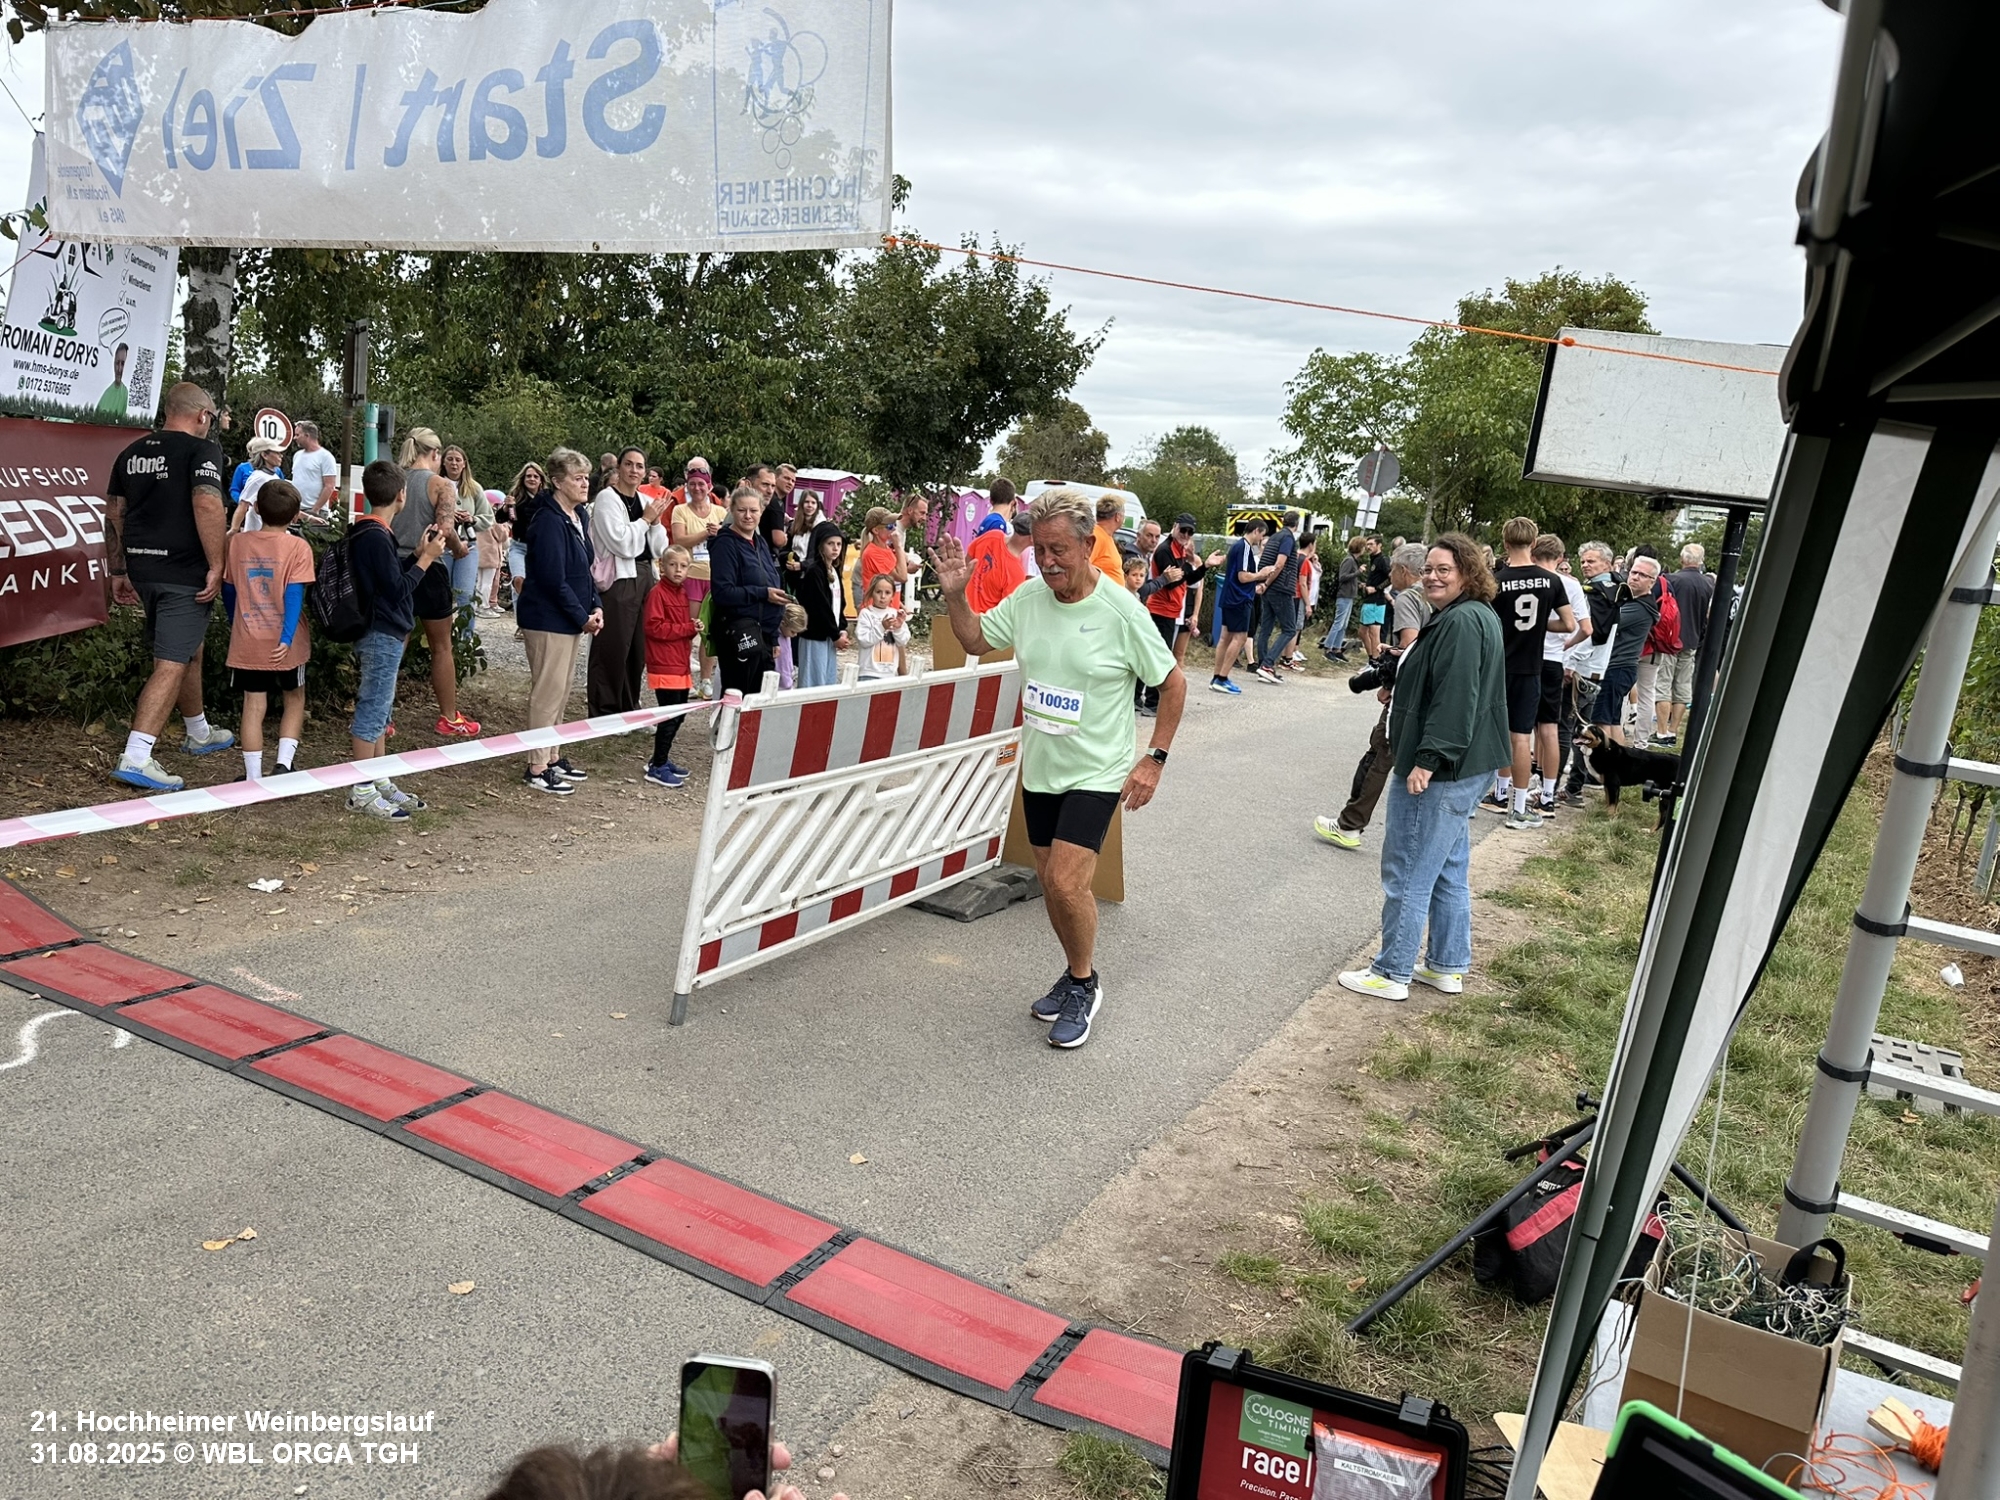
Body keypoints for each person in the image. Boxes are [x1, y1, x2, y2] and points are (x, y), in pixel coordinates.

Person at [932, 487, 1185, 1050]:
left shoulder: (1121, 610)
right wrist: (955, 595)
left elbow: (1172, 683)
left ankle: (1084, 984)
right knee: (1051, 883)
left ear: (1088, 545)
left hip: (1097, 769)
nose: (1046, 562)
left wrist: (1155, 758)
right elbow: (974, 639)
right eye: (1039, 550)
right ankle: (1074, 971)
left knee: (1068, 882)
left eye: (1058, 550)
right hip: (1042, 765)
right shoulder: (1028, 599)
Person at [1338, 533, 1509, 1001]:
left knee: (1408, 868)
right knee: (1447, 869)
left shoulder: (1463, 621)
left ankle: (1391, 971)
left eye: (1443, 570)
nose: (1432, 577)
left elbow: (1457, 697)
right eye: (1428, 569)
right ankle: (1446, 965)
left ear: (1468, 573)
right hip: (1467, 763)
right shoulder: (1468, 614)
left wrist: (1428, 760)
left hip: (1445, 768)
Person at [106, 381, 236, 791]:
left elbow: (115, 512)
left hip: (143, 569)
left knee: (187, 647)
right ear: (202, 415)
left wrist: (118, 569)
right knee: (171, 663)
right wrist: (217, 563)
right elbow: (207, 502)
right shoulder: (203, 450)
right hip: (184, 571)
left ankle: (198, 731)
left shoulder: (131, 452)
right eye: (211, 417)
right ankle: (137, 756)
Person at [346, 461, 448, 819]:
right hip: (381, 631)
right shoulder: (376, 536)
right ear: (401, 495)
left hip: (381, 629)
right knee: (373, 708)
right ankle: (361, 789)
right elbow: (398, 591)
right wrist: (428, 561)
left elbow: (387, 582)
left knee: (381, 709)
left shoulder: (369, 531)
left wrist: (417, 555)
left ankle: (379, 778)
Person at [1313, 543, 1431, 849]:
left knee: (1379, 753)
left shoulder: (1409, 598)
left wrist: (1389, 682)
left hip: (1407, 693)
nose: (1390, 576)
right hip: (1432, 691)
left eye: (1393, 570)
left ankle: (1349, 825)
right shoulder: (1437, 596)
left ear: (1403, 570)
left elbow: (1410, 649)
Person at [1480, 516, 1576, 830]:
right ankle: (1519, 807)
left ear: (1505, 543)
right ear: (1534, 543)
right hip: (1529, 668)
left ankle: (1477, 797)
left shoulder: (1496, 580)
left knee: (1483, 732)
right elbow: (1569, 624)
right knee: (1520, 738)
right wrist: (1538, 626)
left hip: (1497, 666)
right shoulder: (1552, 581)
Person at [518, 447, 603, 795]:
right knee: (546, 692)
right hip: (547, 619)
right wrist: (581, 616)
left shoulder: (578, 515)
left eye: (586, 477)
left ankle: (552, 756)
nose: (585, 483)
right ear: (556, 481)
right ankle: (536, 766)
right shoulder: (548, 520)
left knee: (562, 691)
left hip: (570, 619)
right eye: (577, 478)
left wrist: (595, 605)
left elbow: (585, 568)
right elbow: (553, 579)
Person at [394, 427, 481, 736]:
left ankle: (382, 716)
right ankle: (448, 717)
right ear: (435, 454)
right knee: (441, 647)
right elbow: (444, 530)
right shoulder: (442, 484)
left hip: (396, 564)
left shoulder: (395, 479)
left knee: (395, 642)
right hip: (430, 566)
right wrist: (459, 549)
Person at [225, 479, 314, 781]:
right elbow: (294, 595)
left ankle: (253, 777)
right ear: (296, 515)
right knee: (294, 697)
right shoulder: (299, 547)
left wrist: (235, 622)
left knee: (253, 704)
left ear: (257, 509)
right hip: (287, 642)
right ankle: (284, 765)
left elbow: (229, 589)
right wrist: (286, 638)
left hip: (248, 638)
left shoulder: (237, 543)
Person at [588, 447, 672, 716]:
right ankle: (604, 710)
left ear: (645, 471)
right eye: (629, 464)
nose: (634, 470)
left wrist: (655, 523)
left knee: (638, 648)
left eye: (639, 466)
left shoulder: (646, 500)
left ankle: (629, 706)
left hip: (646, 575)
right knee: (613, 645)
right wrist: (646, 521)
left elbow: (659, 548)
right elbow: (621, 543)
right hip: (620, 578)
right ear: (619, 468)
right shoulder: (607, 499)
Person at [709, 482, 787, 696]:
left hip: (764, 634)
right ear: (732, 510)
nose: (748, 515)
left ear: (761, 512)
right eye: (742, 510)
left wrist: (773, 637)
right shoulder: (725, 544)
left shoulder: (760, 542)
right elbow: (723, 593)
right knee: (737, 698)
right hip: (738, 632)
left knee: (759, 700)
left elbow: (772, 582)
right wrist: (763, 593)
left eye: (753, 510)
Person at [1533, 532, 1591, 816]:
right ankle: (1548, 792)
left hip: (1525, 656)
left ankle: (1506, 789)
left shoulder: (1529, 579)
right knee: (1550, 727)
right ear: (1560, 558)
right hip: (1555, 659)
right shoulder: (1571, 584)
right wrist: (1567, 645)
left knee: (1518, 729)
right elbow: (1587, 628)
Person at [1143, 513, 1220, 713]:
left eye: (1189, 532)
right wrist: (1187, 571)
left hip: (1171, 610)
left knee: (1161, 655)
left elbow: (1186, 579)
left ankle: (1147, 700)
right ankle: (1151, 702)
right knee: (1160, 656)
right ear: (1175, 527)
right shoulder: (1165, 550)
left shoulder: (1179, 549)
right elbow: (1171, 583)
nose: (1186, 534)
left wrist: (1205, 566)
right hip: (1160, 609)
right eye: (1183, 530)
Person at [640, 546, 700, 788]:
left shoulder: (681, 592)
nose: (678, 570)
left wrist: (692, 627)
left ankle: (659, 759)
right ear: (662, 566)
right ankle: (657, 766)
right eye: (673, 565)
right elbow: (653, 627)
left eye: (683, 566)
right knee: (669, 716)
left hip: (680, 662)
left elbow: (678, 627)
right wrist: (687, 628)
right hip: (664, 664)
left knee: (679, 715)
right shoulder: (657, 593)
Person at [1589, 553, 1662, 746]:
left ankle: (1603, 762)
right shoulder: (1631, 600)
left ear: (1652, 581)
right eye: (1633, 572)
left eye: (1642, 575)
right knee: (1613, 722)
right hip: (1619, 668)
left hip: (1617, 668)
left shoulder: (1640, 607)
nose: (1635, 577)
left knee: (1600, 722)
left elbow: (1605, 622)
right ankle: (1618, 762)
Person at [669, 458, 723, 693]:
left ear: (709, 486)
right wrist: (706, 533)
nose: (697, 488)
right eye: (692, 484)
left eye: (701, 484)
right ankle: (682, 677)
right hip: (690, 576)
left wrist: (721, 533)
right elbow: (680, 540)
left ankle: (706, 680)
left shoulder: (720, 511)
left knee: (710, 632)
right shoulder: (680, 510)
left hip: (715, 578)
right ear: (687, 486)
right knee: (689, 629)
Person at [1659, 543, 1715, 746]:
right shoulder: (1708, 583)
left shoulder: (1671, 580)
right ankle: (1673, 730)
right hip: (1692, 639)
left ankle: (1661, 731)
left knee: (1663, 684)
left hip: (1670, 639)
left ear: (1682, 559)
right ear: (1701, 561)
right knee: (1682, 686)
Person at [1208, 517, 1269, 694]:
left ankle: (1217, 677)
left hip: (1230, 597)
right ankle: (1222, 678)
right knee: (1240, 638)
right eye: (1262, 535)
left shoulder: (1237, 546)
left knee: (1225, 637)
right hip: (1239, 599)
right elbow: (1242, 576)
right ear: (1256, 531)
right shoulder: (1244, 547)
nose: (1261, 540)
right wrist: (1261, 574)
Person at [440, 444, 495, 611]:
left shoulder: (474, 488)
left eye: (458, 460)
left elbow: (488, 517)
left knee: (465, 594)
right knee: (441, 593)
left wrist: (472, 519)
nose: (454, 463)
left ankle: (466, 628)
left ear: (464, 464)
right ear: (443, 462)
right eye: (450, 459)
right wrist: (448, 515)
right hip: (442, 545)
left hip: (468, 546)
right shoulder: (436, 484)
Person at [795, 521, 850, 688]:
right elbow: (820, 607)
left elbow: (839, 604)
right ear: (820, 545)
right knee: (813, 681)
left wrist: (841, 629)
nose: (835, 548)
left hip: (829, 636)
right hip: (815, 635)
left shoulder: (833, 571)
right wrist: (835, 634)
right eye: (830, 543)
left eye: (838, 544)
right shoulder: (814, 572)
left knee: (828, 680)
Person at [1253, 511, 1303, 683]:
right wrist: (1267, 583)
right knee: (1289, 629)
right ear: (1297, 524)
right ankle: (1267, 665)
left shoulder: (1274, 537)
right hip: (1280, 587)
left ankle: (1262, 665)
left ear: (1282, 521)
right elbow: (1280, 564)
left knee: (1266, 628)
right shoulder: (1288, 538)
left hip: (1268, 588)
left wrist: (1263, 583)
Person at [963, 509, 1031, 614]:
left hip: (960, 609)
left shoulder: (992, 536)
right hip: (982, 621)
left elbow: (966, 562)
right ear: (1032, 538)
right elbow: (1005, 612)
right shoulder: (1016, 573)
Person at [226, 435, 288, 533]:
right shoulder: (258, 478)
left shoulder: (275, 476)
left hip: (272, 532)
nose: (281, 456)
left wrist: (308, 517)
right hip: (257, 533)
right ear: (265, 455)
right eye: (277, 452)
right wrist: (233, 530)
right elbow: (243, 505)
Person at [505, 460, 548, 603]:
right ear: (523, 479)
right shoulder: (516, 497)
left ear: (541, 480)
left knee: (540, 587)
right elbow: (502, 518)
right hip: (519, 546)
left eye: (536, 476)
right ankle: (521, 614)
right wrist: (506, 508)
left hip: (540, 548)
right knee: (519, 580)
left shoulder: (547, 499)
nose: (532, 479)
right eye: (528, 476)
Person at [854, 574, 909, 678]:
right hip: (869, 672)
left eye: (887, 593)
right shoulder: (866, 613)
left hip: (889, 673)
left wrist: (898, 628)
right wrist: (881, 627)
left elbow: (903, 641)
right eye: (878, 592)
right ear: (872, 593)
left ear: (893, 595)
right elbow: (863, 640)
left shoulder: (895, 614)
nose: (883, 596)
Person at [1323, 536, 1363, 660]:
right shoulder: (1349, 560)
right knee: (1338, 622)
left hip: (1349, 595)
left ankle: (1337, 648)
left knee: (1343, 624)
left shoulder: (1353, 561)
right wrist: (1358, 573)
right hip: (1344, 595)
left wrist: (1358, 583)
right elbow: (1343, 577)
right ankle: (1328, 648)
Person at [290, 420, 340, 514]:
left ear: (307, 435)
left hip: (316, 510)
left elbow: (329, 486)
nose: (294, 438)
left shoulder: (325, 457)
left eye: (297, 435)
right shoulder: (297, 455)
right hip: (296, 510)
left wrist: (315, 510)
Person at [475, 492, 510, 615]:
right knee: (487, 583)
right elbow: (502, 536)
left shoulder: (479, 515)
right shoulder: (493, 519)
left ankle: (477, 606)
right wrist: (506, 527)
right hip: (490, 554)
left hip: (480, 553)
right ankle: (484, 606)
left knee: (480, 582)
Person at [1357, 535, 1391, 658]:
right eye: (1367, 544)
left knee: (1374, 633)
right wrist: (1366, 585)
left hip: (1377, 602)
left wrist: (1377, 588)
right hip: (1368, 600)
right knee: (1362, 632)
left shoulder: (1383, 560)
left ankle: (1376, 662)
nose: (1368, 547)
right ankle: (1371, 658)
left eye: (1371, 544)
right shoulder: (1373, 559)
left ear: (1379, 545)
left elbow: (1391, 577)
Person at [1089, 495, 1127, 586]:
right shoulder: (1096, 536)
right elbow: (1082, 567)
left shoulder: (1105, 536)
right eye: (1123, 515)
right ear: (1117, 516)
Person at [95, 343, 130, 416]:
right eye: (117, 363)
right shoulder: (105, 391)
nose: (119, 369)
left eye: (122, 364)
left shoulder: (125, 393)